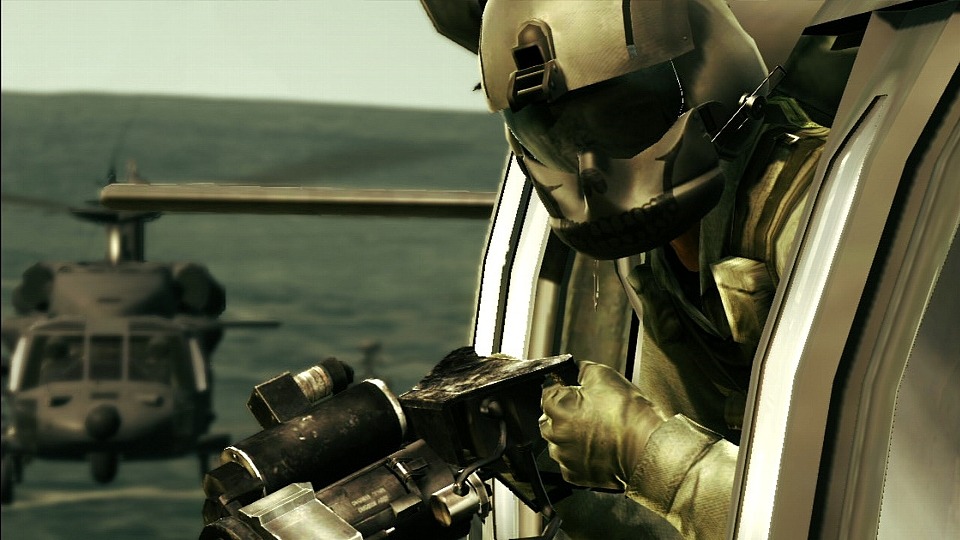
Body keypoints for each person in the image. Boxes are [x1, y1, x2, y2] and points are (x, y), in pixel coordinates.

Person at [424, 0, 834, 538]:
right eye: (558, 133)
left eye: (619, 118)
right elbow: (678, 514)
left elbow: (853, 511)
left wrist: (643, 451)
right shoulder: (664, 258)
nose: (590, 168)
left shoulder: (821, 213)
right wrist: (546, 462)